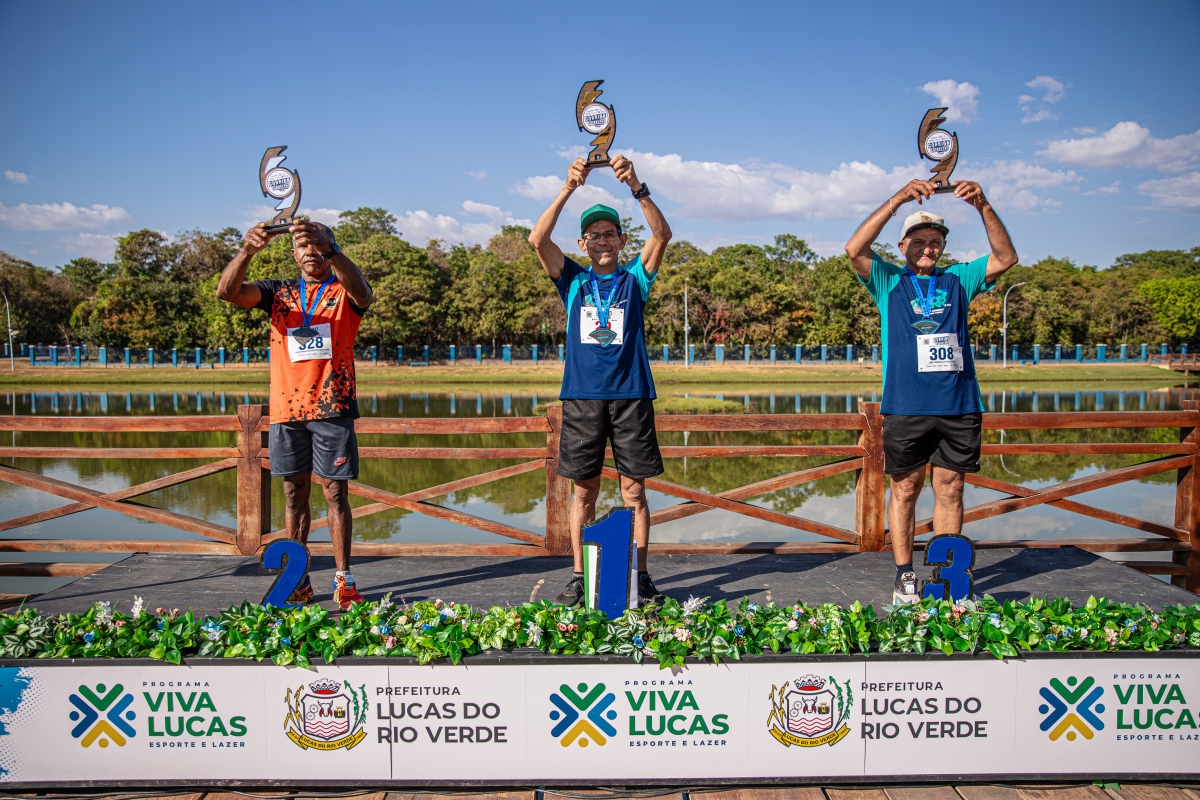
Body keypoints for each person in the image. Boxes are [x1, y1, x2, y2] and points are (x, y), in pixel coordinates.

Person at [844, 179, 1018, 603]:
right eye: (919, 241)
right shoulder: (888, 281)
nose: (928, 248)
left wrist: (982, 204)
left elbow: (1006, 257)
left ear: (943, 247)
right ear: (902, 246)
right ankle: (905, 575)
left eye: (935, 241)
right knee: (905, 489)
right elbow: (854, 249)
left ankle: (947, 579)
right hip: (906, 406)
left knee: (951, 489)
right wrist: (899, 199)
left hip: (959, 404)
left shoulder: (959, 279)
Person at [528, 155, 672, 607]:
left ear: (622, 240)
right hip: (583, 398)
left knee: (635, 492)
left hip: (631, 396)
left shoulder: (635, 279)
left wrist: (636, 185)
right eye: (594, 235)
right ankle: (579, 575)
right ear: (583, 243)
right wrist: (569, 186)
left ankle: (640, 576)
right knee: (583, 492)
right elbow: (537, 239)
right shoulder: (572, 279)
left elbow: (662, 235)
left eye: (610, 233)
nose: (602, 241)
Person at [216, 220, 373, 610]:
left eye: (317, 245)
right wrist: (247, 251)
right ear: (293, 254)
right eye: (303, 246)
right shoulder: (278, 292)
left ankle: (344, 580)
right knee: (293, 494)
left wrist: (331, 248)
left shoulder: (343, 291)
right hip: (287, 411)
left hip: (333, 408)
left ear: (329, 249)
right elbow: (227, 292)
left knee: (335, 493)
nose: (311, 252)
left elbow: (365, 293)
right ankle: (298, 580)